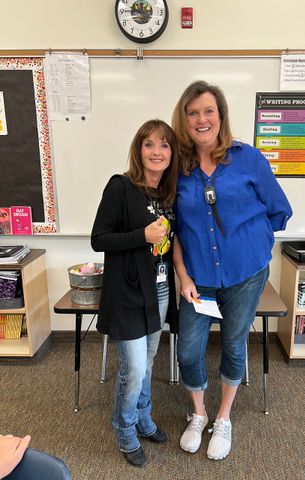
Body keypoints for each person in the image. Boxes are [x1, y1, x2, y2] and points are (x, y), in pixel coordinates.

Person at [172, 80, 292, 461]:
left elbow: (278, 209)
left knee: (233, 344)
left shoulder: (249, 158)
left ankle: (223, 417)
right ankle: (199, 413)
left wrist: (250, 241)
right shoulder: (177, 166)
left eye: (209, 111)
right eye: (193, 113)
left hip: (245, 274)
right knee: (188, 350)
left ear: (220, 116)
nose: (201, 119)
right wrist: (184, 276)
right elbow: (173, 226)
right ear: (184, 119)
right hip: (197, 279)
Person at [91, 119, 179, 468]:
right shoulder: (120, 187)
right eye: (149, 144)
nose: (157, 152)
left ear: (172, 154)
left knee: (148, 363)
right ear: (138, 150)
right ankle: (125, 431)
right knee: (134, 371)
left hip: (158, 294)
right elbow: (99, 239)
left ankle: (144, 419)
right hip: (128, 296)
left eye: (164, 145)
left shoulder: (166, 196)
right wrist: (140, 237)